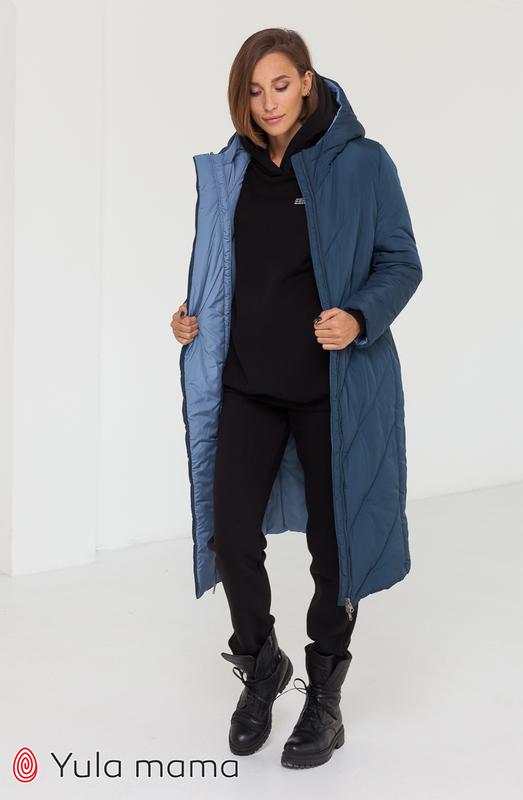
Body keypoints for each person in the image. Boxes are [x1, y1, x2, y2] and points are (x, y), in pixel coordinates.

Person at [171, 28, 423, 770]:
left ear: (308, 81)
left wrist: (359, 317)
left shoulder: (363, 162)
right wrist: (190, 314)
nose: (268, 102)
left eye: (280, 85)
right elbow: (224, 268)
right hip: (247, 384)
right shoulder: (233, 170)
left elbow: (401, 261)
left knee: (334, 547)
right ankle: (262, 663)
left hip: (330, 391)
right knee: (228, 535)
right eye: (254, 91)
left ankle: (325, 696)